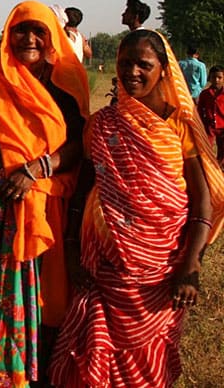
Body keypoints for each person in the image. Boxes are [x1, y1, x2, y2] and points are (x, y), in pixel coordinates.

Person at [49, 30, 224, 387]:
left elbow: (201, 198)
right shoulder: (102, 124)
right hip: (105, 264)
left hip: (163, 267)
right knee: (96, 348)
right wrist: (70, 247)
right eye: (125, 63)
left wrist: (192, 262)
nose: (133, 72)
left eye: (144, 64)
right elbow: (83, 190)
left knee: (150, 361)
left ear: (163, 69)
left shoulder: (180, 125)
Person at [0, 0, 89, 386]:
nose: (29, 38)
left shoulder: (67, 81)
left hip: (45, 202)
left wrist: (38, 168)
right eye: (21, 29)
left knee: (39, 298)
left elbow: (77, 144)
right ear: (9, 34)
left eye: (38, 30)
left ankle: (32, 374)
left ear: (52, 35)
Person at [199, 65, 224, 162]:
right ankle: (207, 166)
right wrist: (200, 123)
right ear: (210, 78)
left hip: (222, 126)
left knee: (222, 151)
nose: (216, 80)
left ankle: (219, 168)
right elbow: (200, 109)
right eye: (214, 77)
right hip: (209, 126)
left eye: (219, 77)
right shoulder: (205, 94)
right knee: (206, 148)